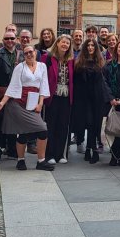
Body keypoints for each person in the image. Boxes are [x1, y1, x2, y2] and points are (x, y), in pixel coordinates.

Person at [0, 45, 53, 171]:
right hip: (18, 104)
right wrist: (2, 103)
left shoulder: (42, 66)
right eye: (26, 53)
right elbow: (12, 86)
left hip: (33, 103)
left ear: (35, 52)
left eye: (31, 52)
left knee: (41, 130)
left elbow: (43, 85)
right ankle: (21, 160)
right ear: (23, 56)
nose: (29, 54)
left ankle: (40, 161)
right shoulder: (20, 67)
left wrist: (40, 103)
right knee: (26, 132)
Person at [0, 28, 22, 163]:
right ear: (3, 41)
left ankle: (12, 151)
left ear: (16, 40)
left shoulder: (21, 55)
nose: (10, 41)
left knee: (13, 124)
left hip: (16, 95)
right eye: (7, 38)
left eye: (12, 38)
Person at [72, 39, 106, 163]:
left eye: (93, 45)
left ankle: (91, 149)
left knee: (95, 125)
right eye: (88, 45)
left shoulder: (101, 63)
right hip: (83, 99)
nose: (90, 47)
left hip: (97, 99)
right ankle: (89, 149)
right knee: (88, 123)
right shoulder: (79, 63)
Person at [42, 34, 74, 164]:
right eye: (63, 42)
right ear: (58, 43)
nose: (65, 45)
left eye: (67, 43)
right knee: (51, 125)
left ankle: (60, 154)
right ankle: (49, 154)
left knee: (63, 126)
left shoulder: (71, 60)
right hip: (52, 96)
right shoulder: (47, 57)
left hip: (66, 97)